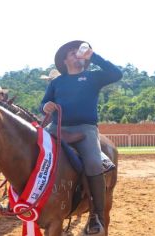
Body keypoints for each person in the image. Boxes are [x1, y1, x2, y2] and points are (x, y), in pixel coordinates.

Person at [40, 40, 122, 234]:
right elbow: (44, 103)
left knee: (94, 163)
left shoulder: (93, 77)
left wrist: (93, 56)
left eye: (79, 51)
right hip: (57, 128)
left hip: (85, 129)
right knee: (33, 150)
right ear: (64, 60)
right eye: (72, 52)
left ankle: (97, 216)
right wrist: (45, 107)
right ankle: (23, 200)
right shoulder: (56, 82)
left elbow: (116, 74)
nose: (77, 54)